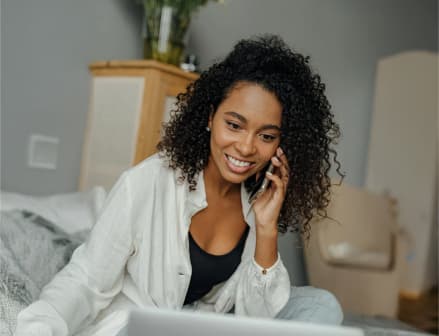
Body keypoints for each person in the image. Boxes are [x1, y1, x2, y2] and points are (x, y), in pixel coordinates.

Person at [15, 35, 344, 336]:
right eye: (234, 125)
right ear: (209, 116)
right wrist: (41, 327)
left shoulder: (259, 198)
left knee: (322, 306)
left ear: (281, 145)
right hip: (140, 327)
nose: (246, 147)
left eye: (267, 136)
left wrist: (267, 227)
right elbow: (86, 280)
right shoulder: (147, 182)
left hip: (209, 326)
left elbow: (257, 316)